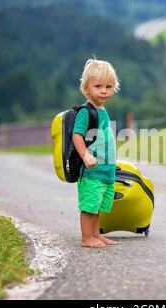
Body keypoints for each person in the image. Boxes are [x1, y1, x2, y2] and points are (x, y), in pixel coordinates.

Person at [72, 58, 119, 248]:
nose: (104, 90)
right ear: (86, 87)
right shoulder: (86, 112)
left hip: (105, 170)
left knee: (98, 206)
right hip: (91, 171)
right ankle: (86, 238)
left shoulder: (103, 111)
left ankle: (96, 235)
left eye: (108, 86)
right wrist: (85, 155)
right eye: (98, 86)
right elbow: (77, 135)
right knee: (89, 206)